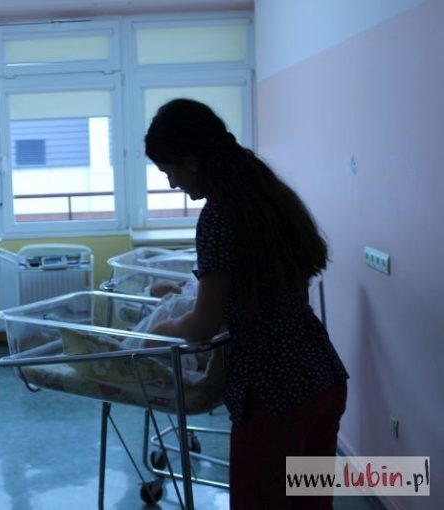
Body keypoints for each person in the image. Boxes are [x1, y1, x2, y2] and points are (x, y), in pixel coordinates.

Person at [144, 98, 349, 510]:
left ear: (192, 162)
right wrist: (184, 292)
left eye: (170, 172)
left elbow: (202, 326)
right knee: (309, 504)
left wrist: (161, 330)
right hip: (321, 378)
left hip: (274, 394)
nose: (172, 184)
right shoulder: (268, 198)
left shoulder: (218, 216)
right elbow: (253, 289)